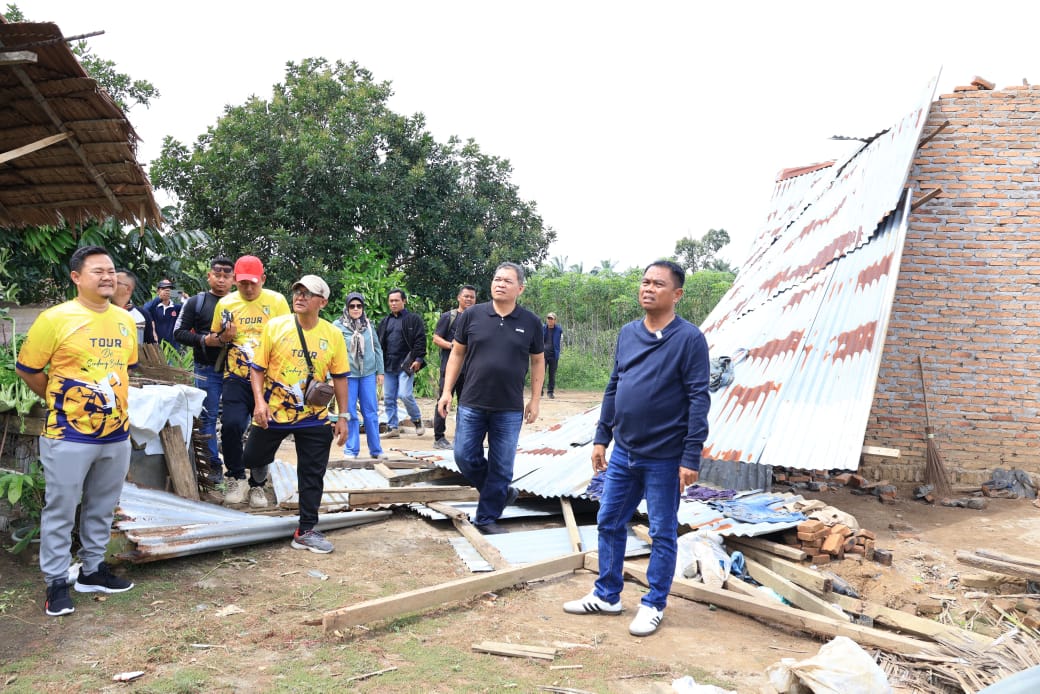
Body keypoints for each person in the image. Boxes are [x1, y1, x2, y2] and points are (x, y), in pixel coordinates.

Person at [563, 260, 710, 637]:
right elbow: (614, 385)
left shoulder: (689, 339)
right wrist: (601, 436)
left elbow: (698, 398)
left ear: (676, 294)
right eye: (644, 282)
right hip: (624, 452)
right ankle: (608, 594)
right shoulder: (628, 333)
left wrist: (691, 455)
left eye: (658, 284)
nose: (648, 288)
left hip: (664, 456)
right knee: (609, 521)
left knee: (662, 531)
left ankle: (653, 603)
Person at [16, 246, 138, 617]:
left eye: (111, 270)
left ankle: (92, 570)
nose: (107, 277)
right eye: (98, 270)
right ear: (76, 277)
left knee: (102, 507)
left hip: (116, 433)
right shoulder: (55, 319)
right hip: (68, 435)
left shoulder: (124, 320)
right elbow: (29, 369)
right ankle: (55, 582)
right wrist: (60, 400)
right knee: (61, 508)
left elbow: (125, 367)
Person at [244, 275, 349, 553]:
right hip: (274, 413)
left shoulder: (332, 334)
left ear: (322, 302)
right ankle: (260, 467)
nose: (300, 297)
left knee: (312, 473)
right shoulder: (275, 327)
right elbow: (257, 368)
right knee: (252, 457)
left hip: (314, 417)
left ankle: (306, 530)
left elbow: (339, 377)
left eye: (308, 293)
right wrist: (259, 402)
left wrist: (343, 416)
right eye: (298, 291)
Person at [437, 262, 544, 535]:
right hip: (472, 401)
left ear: (519, 288)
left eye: (507, 281)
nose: (500, 284)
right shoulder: (472, 315)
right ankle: (500, 492)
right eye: (497, 279)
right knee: (463, 456)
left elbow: (538, 361)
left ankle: (486, 518)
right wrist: (447, 390)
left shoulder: (530, 322)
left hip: (508, 408)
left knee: (502, 464)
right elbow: (457, 354)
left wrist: (535, 399)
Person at [210, 255, 290, 506]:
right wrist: (224, 336)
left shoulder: (276, 302)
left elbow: (288, 336)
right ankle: (235, 476)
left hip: (269, 380)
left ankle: (258, 483)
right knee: (232, 426)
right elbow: (215, 336)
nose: (248, 288)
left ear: (263, 279)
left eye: (253, 283)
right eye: (243, 283)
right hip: (236, 376)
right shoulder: (226, 304)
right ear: (235, 280)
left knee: (264, 430)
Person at [173, 257, 235, 479]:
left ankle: (236, 466)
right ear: (208, 276)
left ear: (234, 279)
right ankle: (213, 467)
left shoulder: (240, 304)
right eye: (217, 275)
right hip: (206, 368)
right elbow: (177, 332)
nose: (221, 280)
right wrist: (203, 340)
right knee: (207, 418)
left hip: (237, 372)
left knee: (236, 420)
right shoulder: (196, 302)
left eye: (226, 276)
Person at [332, 292, 386, 461]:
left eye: (359, 306)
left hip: (368, 373)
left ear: (363, 308)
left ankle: (376, 450)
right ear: (347, 308)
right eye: (352, 306)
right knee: (349, 413)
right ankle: (351, 450)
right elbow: (331, 351)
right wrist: (330, 375)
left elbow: (377, 348)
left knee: (370, 412)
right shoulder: (337, 326)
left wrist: (380, 372)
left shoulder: (368, 325)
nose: (356, 309)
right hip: (346, 375)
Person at [376, 288, 426, 439]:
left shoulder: (413, 319)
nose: (393, 303)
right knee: (389, 398)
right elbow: (379, 345)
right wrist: (378, 367)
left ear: (404, 301)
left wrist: (418, 359)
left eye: (396, 300)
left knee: (404, 394)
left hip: (406, 364)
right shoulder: (385, 321)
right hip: (389, 365)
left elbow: (420, 341)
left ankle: (416, 420)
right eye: (391, 301)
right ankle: (393, 428)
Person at [432, 284, 477, 449]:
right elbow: (436, 338)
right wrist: (453, 347)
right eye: (466, 296)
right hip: (449, 369)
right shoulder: (449, 317)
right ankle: (439, 438)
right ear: (459, 298)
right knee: (443, 401)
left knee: (466, 404)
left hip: (470, 370)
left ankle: (462, 438)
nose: (469, 299)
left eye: (472, 297)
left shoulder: (477, 319)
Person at [113, 269, 156, 348]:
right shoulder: (98, 311)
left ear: (128, 288)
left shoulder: (142, 315)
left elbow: (150, 345)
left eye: (116, 282)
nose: (110, 285)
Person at [143, 278, 181, 351]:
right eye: (163, 288)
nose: (167, 290)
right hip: (156, 347)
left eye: (169, 288)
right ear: (158, 291)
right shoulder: (153, 307)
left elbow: (190, 306)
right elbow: (145, 309)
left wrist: (178, 294)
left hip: (172, 349)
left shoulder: (177, 308)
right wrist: (160, 298)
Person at [542, 312, 563, 399]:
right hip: (543, 354)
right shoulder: (543, 328)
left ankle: (550, 392)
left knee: (552, 374)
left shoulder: (559, 330)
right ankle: (540, 391)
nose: (549, 320)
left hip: (554, 355)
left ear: (555, 320)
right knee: (541, 374)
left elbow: (561, 341)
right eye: (548, 318)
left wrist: (558, 351)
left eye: (551, 319)